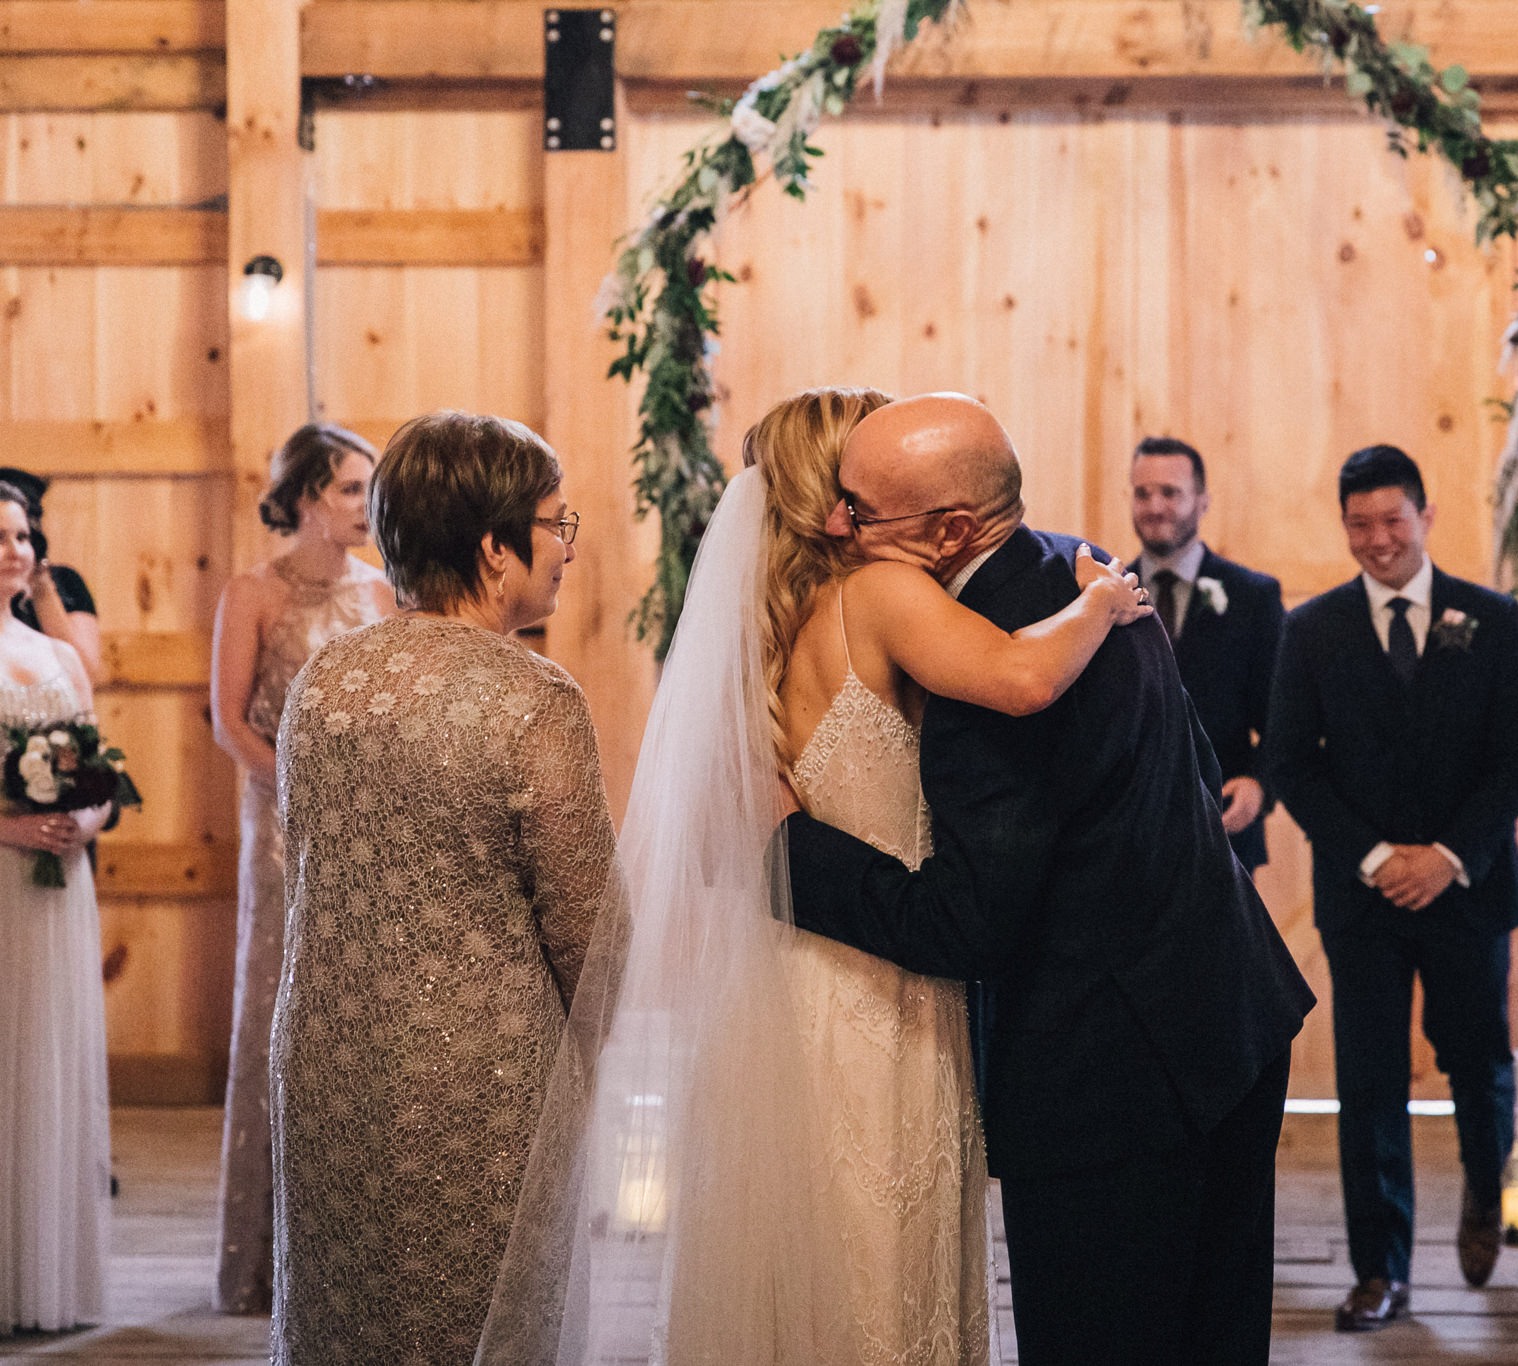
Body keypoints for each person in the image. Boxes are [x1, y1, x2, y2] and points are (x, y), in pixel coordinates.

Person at [477, 387, 1159, 1366]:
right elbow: (1018, 678)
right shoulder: (881, 598)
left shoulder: (769, 624)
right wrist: (1101, 600)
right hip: (885, 983)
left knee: (801, 1268)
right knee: (878, 1262)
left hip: (791, 980)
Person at [779, 394, 1315, 1366]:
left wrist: (788, 853)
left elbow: (967, 924)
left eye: (858, 510)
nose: (834, 525)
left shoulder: (984, 672)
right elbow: (1192, 764)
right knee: (1215, 1334)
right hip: (1230, 1010)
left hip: (1107, 1076)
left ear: (948, 531)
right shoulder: (1076, 565)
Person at [270, 411, 614, 1365]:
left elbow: (300, 862)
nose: (568, 549)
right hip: (479, 1076)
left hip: (328, 1047)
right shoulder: (535, 696)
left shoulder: (326, 679)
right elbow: (589, 929)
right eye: (557, 524)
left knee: (347, 1317)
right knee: (481, 1322)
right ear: (495, 548)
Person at [1265, 444, 1518, 1329]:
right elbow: (1291, 767)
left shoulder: (1490, 619)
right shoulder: (1310, 631)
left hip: (1467, 888)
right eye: (1360, 524)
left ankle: (1482, 1189)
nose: (1378, 539)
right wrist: (1377, 858)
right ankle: (1379, 1270)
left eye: (1393, 520)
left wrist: (1447, 857)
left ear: (1425, 517)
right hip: (1364, 900)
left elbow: (1516, 754)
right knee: (1371, 1080)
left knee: (1479, 1063)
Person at [206, 423, 392, 1316]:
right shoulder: (253, 592)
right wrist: (300, 777)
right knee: (274, 1017)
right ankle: (260, 1262)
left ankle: (350, 1253)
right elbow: (227, 722)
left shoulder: (384, 595)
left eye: (370, 489)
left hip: (365, 837)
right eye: (354, 488)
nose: (367, 506)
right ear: (310, 496)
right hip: (280, 832)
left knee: (353, 1020)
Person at [0, 480, 113, 1334]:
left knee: (48, 1052)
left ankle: (44, 1269)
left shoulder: (59, 655)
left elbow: (101, 775)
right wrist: (10, 824)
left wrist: (84, 816)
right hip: (4, 873)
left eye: (22, 534)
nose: (15, 550)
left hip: (60, 886)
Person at [1128, 436, 1284, 872]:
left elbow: (1283, 716)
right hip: (1125, 835)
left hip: (1222, 828)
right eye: (1142, 493)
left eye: (1170, 493)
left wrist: (1259, 785)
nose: (1154, 506)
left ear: (1202, 501)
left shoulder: (1254, 597)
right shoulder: (1101, 592)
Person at [0, 468, 104, 685]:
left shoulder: (65, 582)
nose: (15, 551)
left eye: (23, 536)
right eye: (0, 537)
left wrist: (41, 586)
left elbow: (82, 679)